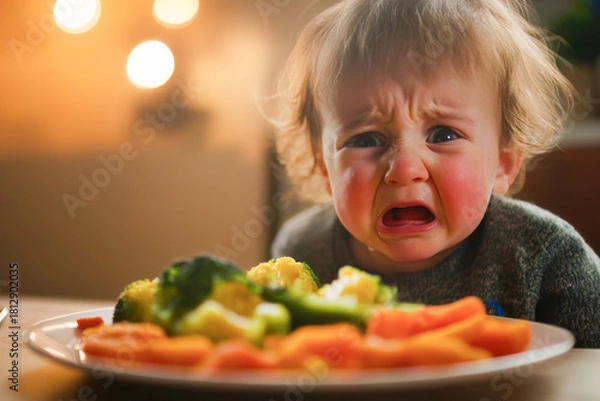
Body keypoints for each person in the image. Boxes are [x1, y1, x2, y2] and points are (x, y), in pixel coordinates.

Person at [269, 0, 600, 348]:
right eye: (366, 139)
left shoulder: (547, 255)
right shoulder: (303, 253)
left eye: (443, 135)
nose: (405, 170)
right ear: (324, 166)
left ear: (504, 161)